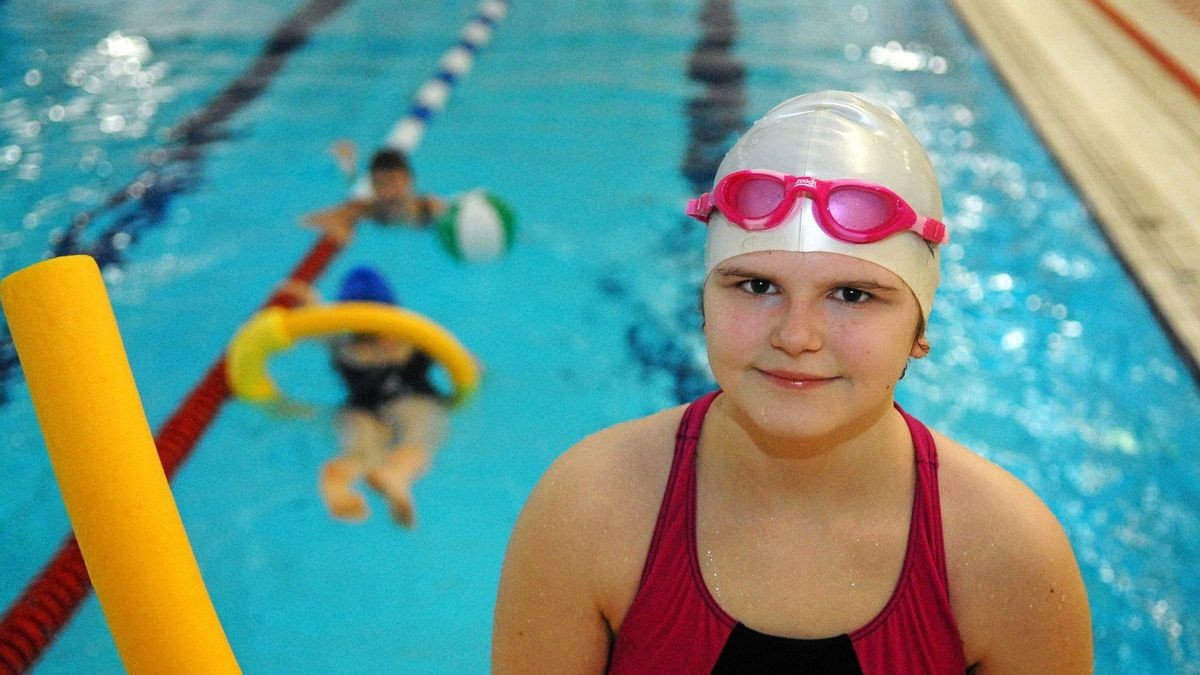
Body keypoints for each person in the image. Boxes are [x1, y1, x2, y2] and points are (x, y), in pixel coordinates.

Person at [492, 91, 1093, 673]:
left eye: (852, 295)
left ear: (919, 329)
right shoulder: (589, 507)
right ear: (702, 300)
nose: (796, 336)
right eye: (756, 286)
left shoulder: (1009, 555)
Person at [317, 265, 450, 527]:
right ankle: (396, 475)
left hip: (358, 408)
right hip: (413, 400)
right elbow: (465, 365)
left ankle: (338, 482)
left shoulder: (343, 346)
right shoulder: (413, 336)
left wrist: (310, 305)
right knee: (418, 441)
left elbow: (311, 328)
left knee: (359, 452)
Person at [304, 144, 445, 243]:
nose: (387, 191)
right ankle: (347, 163)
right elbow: (308, 220)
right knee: (352, 185)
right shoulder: (369, 210)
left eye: (393, 181)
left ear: (409, 180)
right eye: (379, 184)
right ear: (372, 186)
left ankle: (348, 163)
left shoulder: (431, 208)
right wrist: (338, 225)